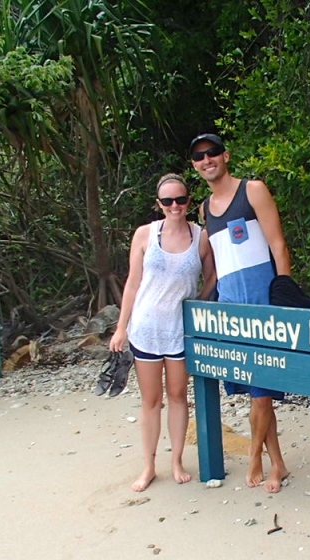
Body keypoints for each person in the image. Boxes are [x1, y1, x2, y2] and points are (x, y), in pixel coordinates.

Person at [190, 133, 292, 493]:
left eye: (212, 152)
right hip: (230, 311)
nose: (207, 160)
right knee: (256, 391)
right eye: (200, 157)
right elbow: (216, 267)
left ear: (225, 155)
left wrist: (284, 294)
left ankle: (255, 458)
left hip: (263, 305)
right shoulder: (204, 209)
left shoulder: (253, 190)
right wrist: (205, 301)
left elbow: (278, 245)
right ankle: (278, 463)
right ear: (194, 165)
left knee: (262, 393)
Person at [110, 173, 213, 492]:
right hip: (147, 328)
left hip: (180, 330)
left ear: (188, 201)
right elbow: (132, 282)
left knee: (179, 396)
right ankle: (149, 465)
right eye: (167, 201)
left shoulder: (202, 237)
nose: (174, 206)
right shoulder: (144, 234)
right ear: (159, 204)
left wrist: (196, 308)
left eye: (180, 200)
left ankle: (177, 460)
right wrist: (121, 327)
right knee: (151, 400)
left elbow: (212, 279)